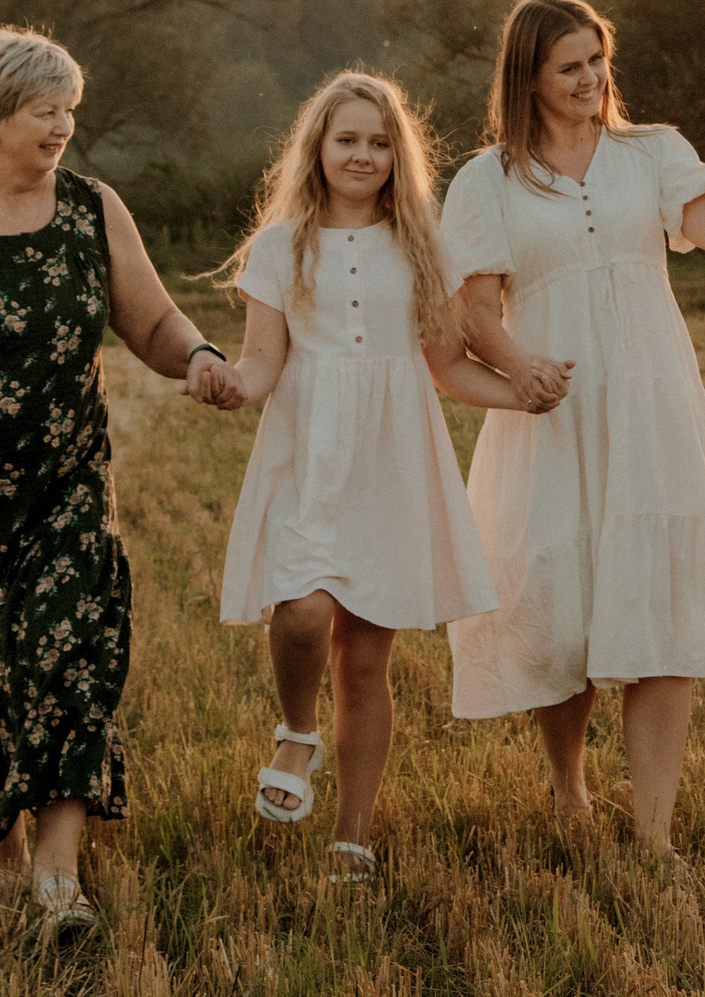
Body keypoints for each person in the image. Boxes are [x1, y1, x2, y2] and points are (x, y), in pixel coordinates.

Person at [0, 26, 244, 942]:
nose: (65, 124)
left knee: (63, 659)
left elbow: (148, 319)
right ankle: (4, 863)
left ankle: (58, 878)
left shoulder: (92, 208)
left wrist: (200, 355)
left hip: (63, 487)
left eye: (71, 107)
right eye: (46, 109)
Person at [438, 0, 705, 856]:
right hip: (553, 399)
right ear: (529, 76)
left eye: (597, 59)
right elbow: (473, 302)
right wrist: (516, 364)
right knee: (561, 598)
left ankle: (655, 835)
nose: (589, 77)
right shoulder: (487, 178)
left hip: (650, 391)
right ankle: (569, 786)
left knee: (659, 602)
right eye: (569, 65)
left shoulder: (650, 152)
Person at [200, 70, 520, 885]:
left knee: (366, 660)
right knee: (303, 612)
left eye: (380, 143)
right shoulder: (280, 246)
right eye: (347, 139)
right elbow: (264, 360)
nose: (363, 155)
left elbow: (447, 360)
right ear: (317, 146)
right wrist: (232, 383)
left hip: (389, 456)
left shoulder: (422, 243)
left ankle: (353, 833)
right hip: (309, 450)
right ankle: (298, 731)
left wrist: (520, 390)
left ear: (397, 154)